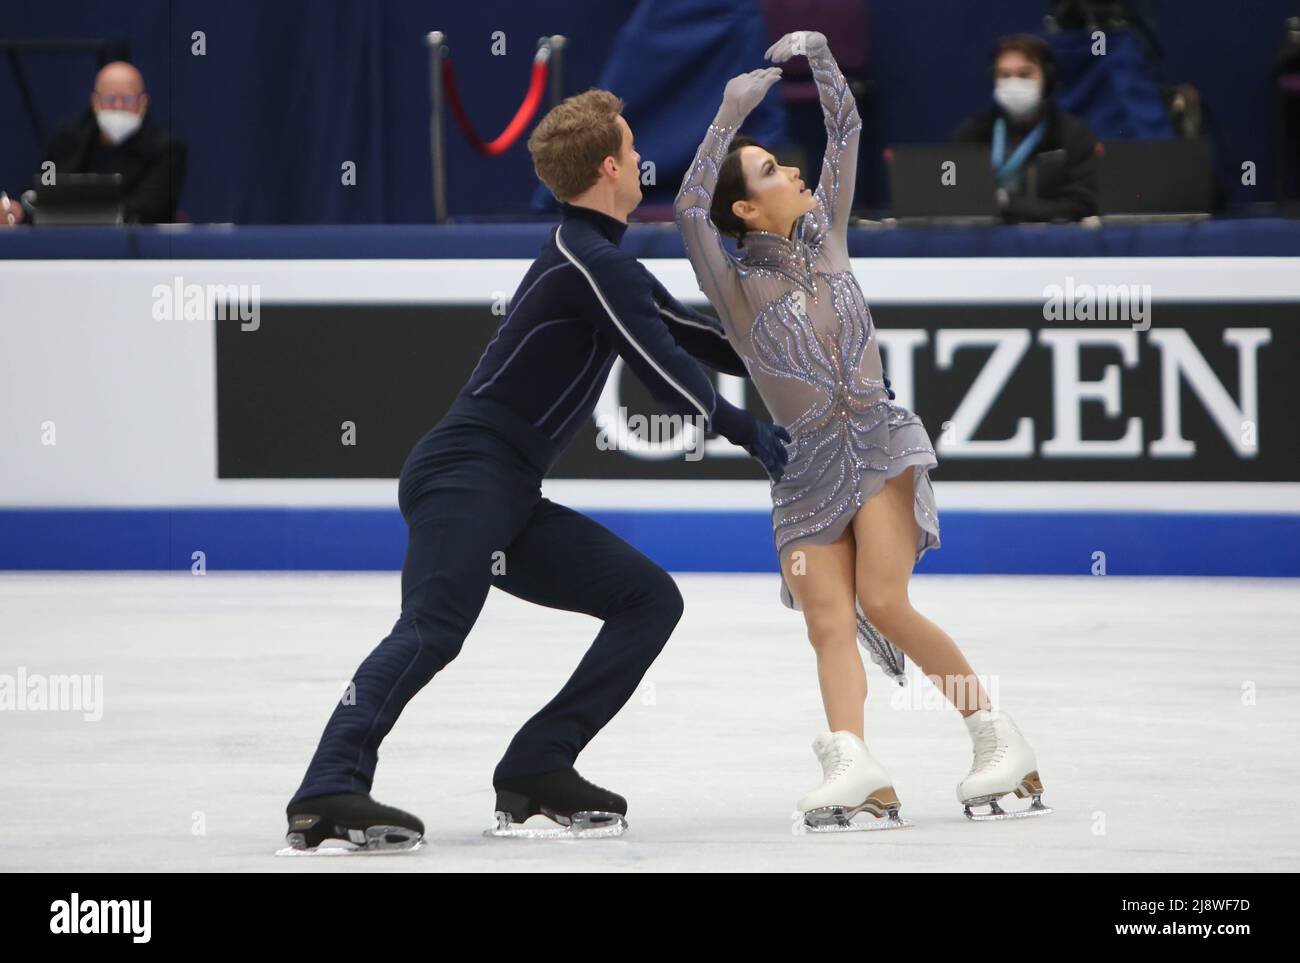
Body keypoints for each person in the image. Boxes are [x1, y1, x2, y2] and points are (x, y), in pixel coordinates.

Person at [283, 88, 790, 851]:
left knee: (647, 598)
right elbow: (664, 367)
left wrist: (800, 354)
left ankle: (537, 764)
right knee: (433, 628)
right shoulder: (589, 263)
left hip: (505, 488)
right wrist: (756, 435)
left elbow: (693, 332)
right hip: (466, 473)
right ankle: (327, 785)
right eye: (631, 141)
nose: (643, 155)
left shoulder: (596, 259)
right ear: (612, 165)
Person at [675, 31, 1052, 828]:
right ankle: (854, 762)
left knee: (882, 599)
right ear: (746, 209)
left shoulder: (831, 234)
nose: (795, 172)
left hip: (879, 444)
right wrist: (722, 119)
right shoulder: (735, 289)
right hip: (806, 472)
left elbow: (843, 133)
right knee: (825, 620)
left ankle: (995, 735)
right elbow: (684, 209)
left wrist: (819, 56)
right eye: (772, 171)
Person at [2, 60, 186, 226]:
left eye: (128, 99)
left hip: (137, 253)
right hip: (64, 247)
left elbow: (150, 209)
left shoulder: (167, 150)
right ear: (95, 101)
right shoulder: (67, 141)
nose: (118, 107)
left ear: (143, 102)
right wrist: (19, 211)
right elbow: (39, 195)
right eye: (110, 99)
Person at [953, 33, 1098, 224]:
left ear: (1046, 78)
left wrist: (1010, 206)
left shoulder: (1073, 134)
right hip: (985, 243)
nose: (1014, 84)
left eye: (1024, 74)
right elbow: (952, 198)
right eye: (1005, 75)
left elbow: (1082, 204)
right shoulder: (972, 133)